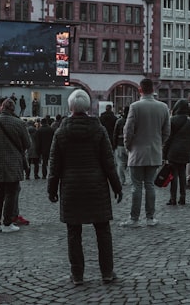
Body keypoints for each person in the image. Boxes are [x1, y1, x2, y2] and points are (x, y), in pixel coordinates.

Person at [47, 89, 122, 286]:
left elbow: (54, 165)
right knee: (103, 231)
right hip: (96, 186)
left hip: (71, 188)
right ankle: (107, 272)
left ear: (70, 107)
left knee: (74, 233)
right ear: (87, 107)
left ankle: (77, 275)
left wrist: (51, 189)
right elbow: (108, 162)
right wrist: (117, 186)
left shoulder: (61, 132)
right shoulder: (98, 130)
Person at [121, 78, 170, 227]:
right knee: (150, 185)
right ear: (153, 89)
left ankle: (134, 219)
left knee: (136, 186)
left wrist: (128, 146)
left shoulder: (135, 107)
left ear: (140, 90)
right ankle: (150, 217)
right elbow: (167, 131)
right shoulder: (163, 107)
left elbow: (128, 130)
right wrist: (159, 144)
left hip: (137, 152)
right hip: (154, 152)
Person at [0, 97, 30, 233]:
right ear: (13, 109)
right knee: (11, 193)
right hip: (14, 164)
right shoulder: (19, 123)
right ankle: (7, 223)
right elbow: (28, 144)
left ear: (1, 108)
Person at [164, 99, 190, 206]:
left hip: (173, 151)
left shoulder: (172, 120)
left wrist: (164, 153)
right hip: (185, 151)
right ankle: (183, 197)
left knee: (173, 175)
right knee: (182, 174)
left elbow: (168, 138)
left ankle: (172, 198)